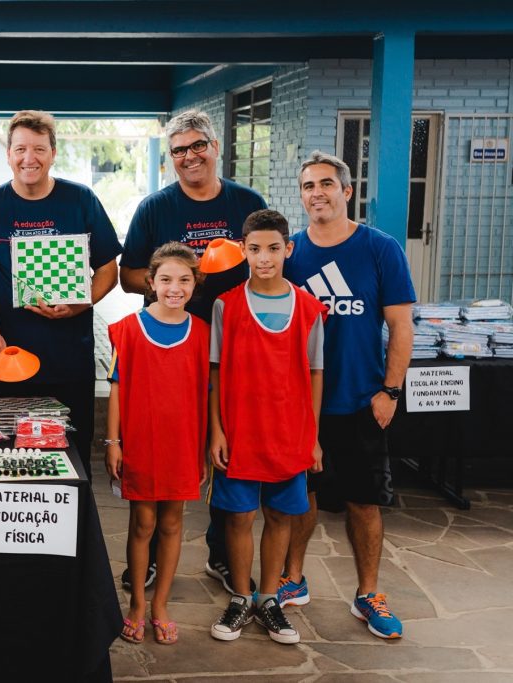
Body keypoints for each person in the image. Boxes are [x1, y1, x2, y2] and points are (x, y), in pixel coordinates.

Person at [119, 109, 267, 592]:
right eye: (179, 150)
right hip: (171, 349)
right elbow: (126, 276)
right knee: (168, 446)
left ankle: (222, 553)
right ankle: (154, 559)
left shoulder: (247, 202)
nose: (189, 156)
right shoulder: (154, 208)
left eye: (197, 145)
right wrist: (177, 283)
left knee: (228, 451)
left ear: (215, 146)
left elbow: (266, 265)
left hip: (238, 346)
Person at [281, 151, 415, 639]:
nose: (316, 192)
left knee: (364, 502)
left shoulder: (380, 248)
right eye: (307, 186)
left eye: (325, 184)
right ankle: (292, 580)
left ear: (346, 191)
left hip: (361, 400)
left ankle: (368, 594)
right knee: (301, 498)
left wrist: (390, 391)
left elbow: (402, 327)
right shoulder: (290, 252)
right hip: (301, 404)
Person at [0, 110, 122, 477]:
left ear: (53, 152)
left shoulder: (81, 200)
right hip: (10, 355)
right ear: (7, 153)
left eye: (38, 149)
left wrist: (80, 303)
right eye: (20, 149)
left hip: (70, 355)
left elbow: (109, 271)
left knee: (71, 456)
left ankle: (76, 530)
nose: (28, 158)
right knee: (15, 455)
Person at [207, 209, 326, 644]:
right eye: (254, 249)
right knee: (238, 515)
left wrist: (312, 436)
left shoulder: (309, 309)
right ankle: (241, 596)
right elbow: (215, 372)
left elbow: (316, 373)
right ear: (242, 250)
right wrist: (216, 430)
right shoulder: (227, 305)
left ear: (288, 249)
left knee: (279, 515)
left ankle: (270, 599)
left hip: (288, 432)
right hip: (240, 431)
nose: (264, 258)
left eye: (273, 249)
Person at [105, 242, 209, 646]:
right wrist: (113, 441)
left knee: (171, 523)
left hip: (183, 444)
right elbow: (115, 389)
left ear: (195, 284)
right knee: (143, 523)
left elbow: (207, 392)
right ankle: (137, 606)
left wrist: (205, 445)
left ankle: (161, 604)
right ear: (150, 283)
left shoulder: (201, 333)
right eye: (165, 279)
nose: (174, 287)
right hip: (142, 443)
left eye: (184, 280)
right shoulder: (128, 330)